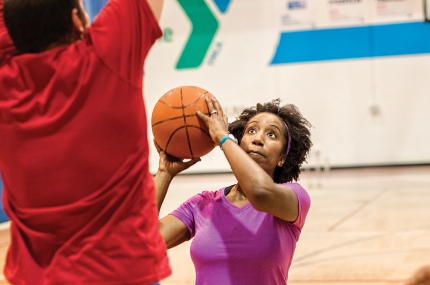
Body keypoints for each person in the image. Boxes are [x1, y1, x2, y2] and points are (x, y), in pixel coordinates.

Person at [0, 0, 170, 284]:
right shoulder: (107, 55)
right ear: (78, 21)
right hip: (124, 273)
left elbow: (22, 18)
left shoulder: (5, 85)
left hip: (39, 278)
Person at [155, 97, 313, 284]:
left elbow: (260, 193)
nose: (258, 139)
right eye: (251, 130)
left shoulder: (294, 197)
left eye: (272, 135)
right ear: (240, 143)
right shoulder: (202, 203)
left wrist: (224, 138)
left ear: (282, 158)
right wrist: (164, 173)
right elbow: (143, 241)